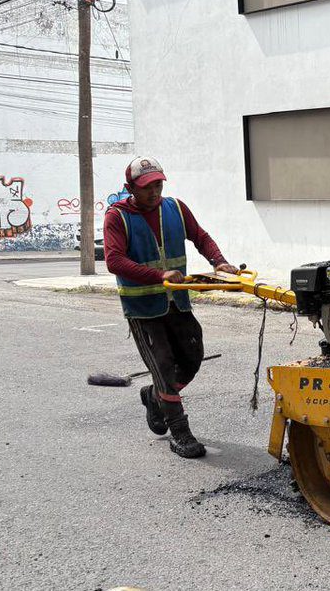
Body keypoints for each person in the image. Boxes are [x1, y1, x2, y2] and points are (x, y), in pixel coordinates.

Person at [103, 156, 238, 459]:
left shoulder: (175, 208)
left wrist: (219, 262)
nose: (154, 192)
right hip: (143, 308)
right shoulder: (117, 217)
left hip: (177, 302)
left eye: (158, 185)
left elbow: (201, 237)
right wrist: (159, 275)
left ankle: (154, 396)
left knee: (191, 358)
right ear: (130, 188)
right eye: (147, 187)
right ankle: (180, 432)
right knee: (163, 366)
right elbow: (114, 260)